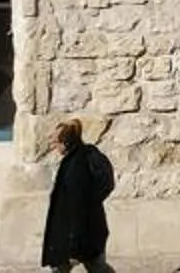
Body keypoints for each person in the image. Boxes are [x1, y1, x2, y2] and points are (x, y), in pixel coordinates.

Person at [42, 117, 113, 273]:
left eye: (56, 142)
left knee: (93, 266)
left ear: (66, 143)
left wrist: (75, 243)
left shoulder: (76, 167)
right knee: (95, 266)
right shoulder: (76, 160)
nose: (53, 146)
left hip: (78, 234)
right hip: (85, 231)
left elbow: (77, 206)